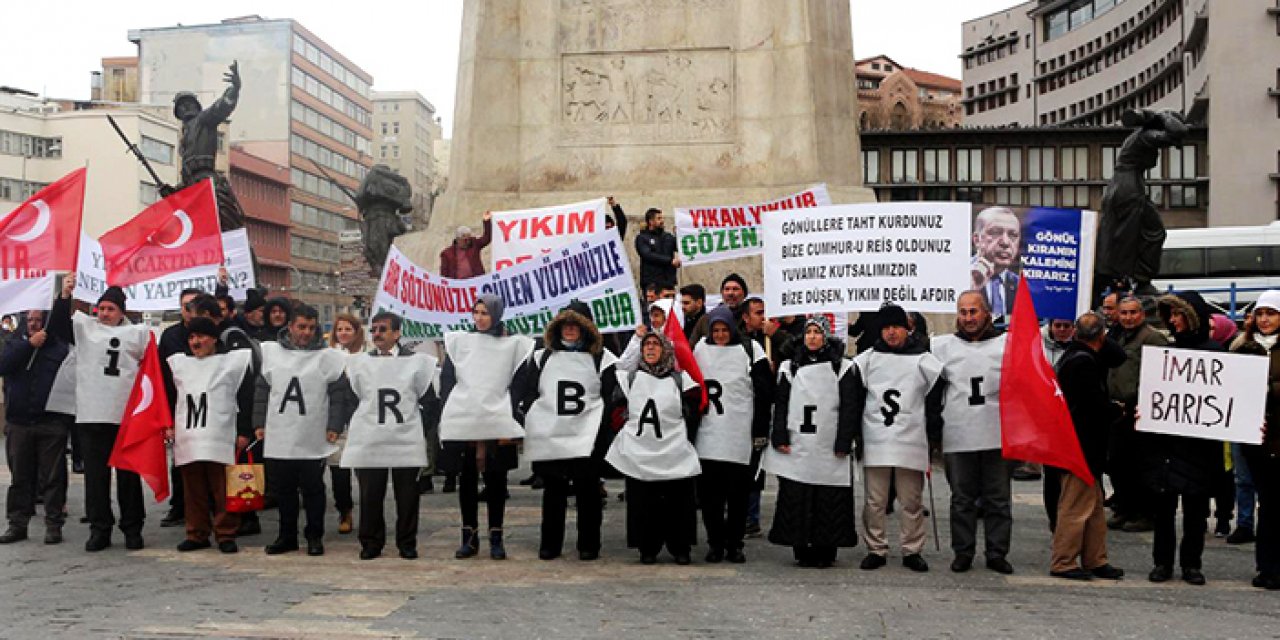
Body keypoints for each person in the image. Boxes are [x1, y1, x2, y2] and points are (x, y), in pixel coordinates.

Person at [47, 279, 151, 551]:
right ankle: (99, 528)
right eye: (101, 308)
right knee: (96, 478)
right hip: (92, 414)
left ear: (121, 312)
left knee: (128, 476)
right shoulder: (85, 327)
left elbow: (150, 370)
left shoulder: (138, 333)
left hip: (124, 416)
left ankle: (132, 527)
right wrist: (64, 295)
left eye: (110, 309)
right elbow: (58, 328)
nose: (104, 313)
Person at [514, 301, 619, 561]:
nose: (570, 330)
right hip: (553, 436)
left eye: (576, 325)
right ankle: (550, 544)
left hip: (586, 436)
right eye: (566, 325)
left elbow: (611, 398)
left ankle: (588, 544)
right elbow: (527, 391)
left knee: (588, 493)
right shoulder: (542, 356)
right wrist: (534, 415)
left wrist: (599, 430)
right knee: (553, 492)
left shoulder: (603, 359)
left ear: (586, 329)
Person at [337, 311, 440, 560]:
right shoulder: (359, 363)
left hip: (405, 438)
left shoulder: (417, 362)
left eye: (383, 329)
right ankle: (371, 542)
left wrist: (415, 425)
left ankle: (406, 542)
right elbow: (350, 399)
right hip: (371, 437)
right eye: (374, 330)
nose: (378, 334)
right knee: (370, 494)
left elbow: (430, 401)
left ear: (397, 333)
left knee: (407, 496)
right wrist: (360, 422)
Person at [438, 294, 534, 560]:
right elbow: (448, 379)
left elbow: (519, 380)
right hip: (465, 417)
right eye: (476, 312)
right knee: (466, 480)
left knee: (495, 481)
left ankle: (496, 536)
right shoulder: (460, 342)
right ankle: (469, 536)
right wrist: (452, 408)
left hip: (496, 417)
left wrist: (509, 408)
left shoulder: (512, 343)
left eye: (485, 313)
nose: (479, 318)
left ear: (496, 314)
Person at [1139, 292, 1224, 584]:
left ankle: (1191, 564)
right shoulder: (1165, 353)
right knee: (1163, 511)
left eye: (1178, 315)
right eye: (1170, 315)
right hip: (1166, 445)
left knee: (1196, 512)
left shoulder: (1215, 353)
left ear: (1193, 317)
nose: (1173, 320)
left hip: (1199, 447)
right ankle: (1162, 563)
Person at [927, 291, 1014, 575]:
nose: (968, 318)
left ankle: (997, 552)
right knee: (962, 499)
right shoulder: (942, 347)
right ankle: (963, 552)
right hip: (959, 433)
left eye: (973, 311)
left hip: (996, 433)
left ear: (986, 312)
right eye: (963, 312)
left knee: (998, 498)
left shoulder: (1006, 344)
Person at [852, 304, 943, 572]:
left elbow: (937, 396)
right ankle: (876, 548)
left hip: (911, 439)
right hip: (876, 438)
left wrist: (934, 432)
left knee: (911, 501)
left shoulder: (923, 359)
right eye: (886, 328)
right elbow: (855, 399)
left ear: (907, 328)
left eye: (896, 327)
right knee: (875, 501)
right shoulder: (867, 359)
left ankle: (912, 549)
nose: (892, 333)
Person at [762, 316, 857, 567]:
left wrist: (844, 440)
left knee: (828, 497)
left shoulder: (843, 367)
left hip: (828, 443)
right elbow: (780, 403)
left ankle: (826, 548)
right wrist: (779, 434)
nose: (812, 337)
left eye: (817, 332)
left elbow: (850, 407)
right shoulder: (789, 366)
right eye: (809, 332)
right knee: (798, 494)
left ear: (825, 336)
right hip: (799, 443)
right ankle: (800, 546)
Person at [255, 304, 348, 556]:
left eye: (310, 327)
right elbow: (263, 392)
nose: (306, 333)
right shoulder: (272, 354)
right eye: (301, 327)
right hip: (281, 432)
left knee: (313, 489)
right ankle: (287, 536)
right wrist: (259, 423)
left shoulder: (328, 358)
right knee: (283, 490)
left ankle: (314, 535)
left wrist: (334, 425)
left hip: (312, 433)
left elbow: (338, 395)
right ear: (290, 327)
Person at [606, 332, 702, 564]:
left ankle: (680, 547)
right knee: (643, 502)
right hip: (641, 452)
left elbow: (693, 412)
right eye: (646, 344)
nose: (650, 349)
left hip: (673, 451)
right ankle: (647, 547)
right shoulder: (629, 380)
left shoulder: (682, 381)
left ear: (665, 350)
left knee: (678, 501)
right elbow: (616, 410)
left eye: (655, 344)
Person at [166, 317, 254, 553]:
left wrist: (244, 430)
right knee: (193, 488)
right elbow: (170, 396)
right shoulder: (179, 364)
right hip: (190, 435)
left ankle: (225, 533)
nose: (196, 342)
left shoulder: (232, 363)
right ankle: (196, 533)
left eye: (202, 336)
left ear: (214, 339)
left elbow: (245, 397)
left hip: (220, 432)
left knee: (222, 487)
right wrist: (168, 425)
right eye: (192, 337)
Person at [692, 306, 773, 563]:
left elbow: (764, 393)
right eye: (715, 330)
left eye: (724, 330)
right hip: (708, 436)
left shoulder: (751, 350)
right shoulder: (700, 350)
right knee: (710, 498)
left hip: (738, 435)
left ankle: (735, 543)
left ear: (732, 328)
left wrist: (760, 430)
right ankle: (715, 542)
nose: (719, 335)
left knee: (738, 495)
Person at [1050, 312, 1126, 581]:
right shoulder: (1083, 363)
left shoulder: (1075, 355)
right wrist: (1115, 410)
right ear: (1101, 335)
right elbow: (1092, 406)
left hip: (1084, 445)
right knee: (1074, 506)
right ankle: (1064, 560)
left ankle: (1096, 558)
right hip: (1080, 446)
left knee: (1093, 507)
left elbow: (1118, 356)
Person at [0, 310, 72, 545]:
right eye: (30, 320)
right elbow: (4, 365)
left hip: (51, 423)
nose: (33, 324)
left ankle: (54, 524)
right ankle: (17, 524)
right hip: (19, 422)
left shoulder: (58, 347)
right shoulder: (14, 343)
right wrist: (29, 345)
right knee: (20, 477)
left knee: (53, 478)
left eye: (38, 320)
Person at [1230, 290, 1280, 589]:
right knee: (1267, 504)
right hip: (1254, 441)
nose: (1264, 320)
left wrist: (1269, 389)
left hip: (1278, 440)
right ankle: (1265, 566)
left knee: (1276, 505)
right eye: (1260, 314)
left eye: (1271, 313)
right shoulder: (1244, 347)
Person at [1106, 296, 1169, 533]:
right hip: (1116, 410)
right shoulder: (1116, 335)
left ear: (1141, 314)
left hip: (1139, 409)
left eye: (1133, 313)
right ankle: (1125, 507)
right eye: (1124, 313)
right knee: (1118, 463)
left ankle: (1145, 513)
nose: (1128, 317)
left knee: (1142, 464)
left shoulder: (1152, 338)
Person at [156, 288, 207, 529]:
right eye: (185, 306)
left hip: (206, 405)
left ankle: (208, 509)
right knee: (180, 460)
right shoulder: (170, 336)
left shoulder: (210, 334)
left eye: (193, 305)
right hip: (178, 405)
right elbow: (161, 376)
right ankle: (179, 506)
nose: (189, 310)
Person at [327, 313, 365, 534]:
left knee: (364, 471)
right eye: (340, 329)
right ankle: (345, 511)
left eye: (348, 329)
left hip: (359, 420)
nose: (343, 333)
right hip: (338, 422)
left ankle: (368, 511)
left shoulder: (366, 357)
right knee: (338, 472)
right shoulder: (330, 357)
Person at [969, 207, 1022, 319]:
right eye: (995, 233)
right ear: (976, 240)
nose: (1005, 242)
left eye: (1013, 235)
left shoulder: (1021, 286)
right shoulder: (959, 276)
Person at [634, 208, 679, 291]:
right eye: (659, 218)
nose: (662, 221)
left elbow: (680, 247)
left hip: (668, 281)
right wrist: (670, 261)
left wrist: (679, 235)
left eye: (662, 218)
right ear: (651, 221)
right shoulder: (642, 238)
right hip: (651, 282)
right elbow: (648, 255)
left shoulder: (668, 236)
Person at [439, 212, 493, 279]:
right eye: (465, 240)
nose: (468, 242)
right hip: (459, 285)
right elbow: (444, 275)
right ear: (458, 239)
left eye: (469, 239)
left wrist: (486, 221)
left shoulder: (474, 244)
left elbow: (486, 238)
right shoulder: (447, 254)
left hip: (476, 281)